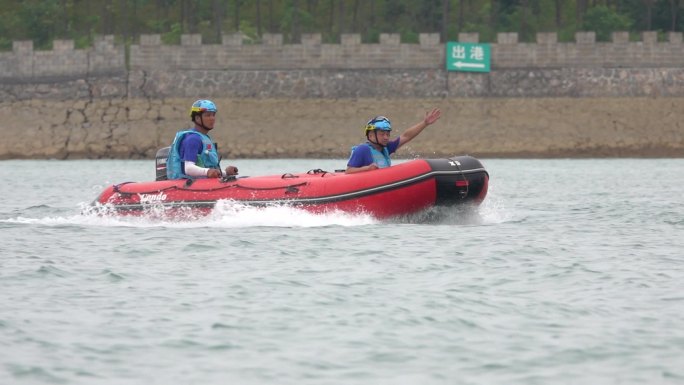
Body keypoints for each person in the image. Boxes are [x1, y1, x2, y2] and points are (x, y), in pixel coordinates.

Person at [345, 108, 442, 174]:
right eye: (382, 134)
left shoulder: (387, 147)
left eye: (387, 134)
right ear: (370, 135)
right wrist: (368, 168)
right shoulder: (362, 150)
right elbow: (348, 171)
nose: (386, 137)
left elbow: (406, 136)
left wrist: (425, 123)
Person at [166, 99, 238, 180]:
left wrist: (225, 173)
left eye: (213, 115)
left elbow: (208, 170)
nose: (212, 118)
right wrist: (207, 172)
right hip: (187, 186)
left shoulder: (204, 138)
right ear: (197, 118)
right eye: (208, 115)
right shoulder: (193, 139)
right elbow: (188, 168)